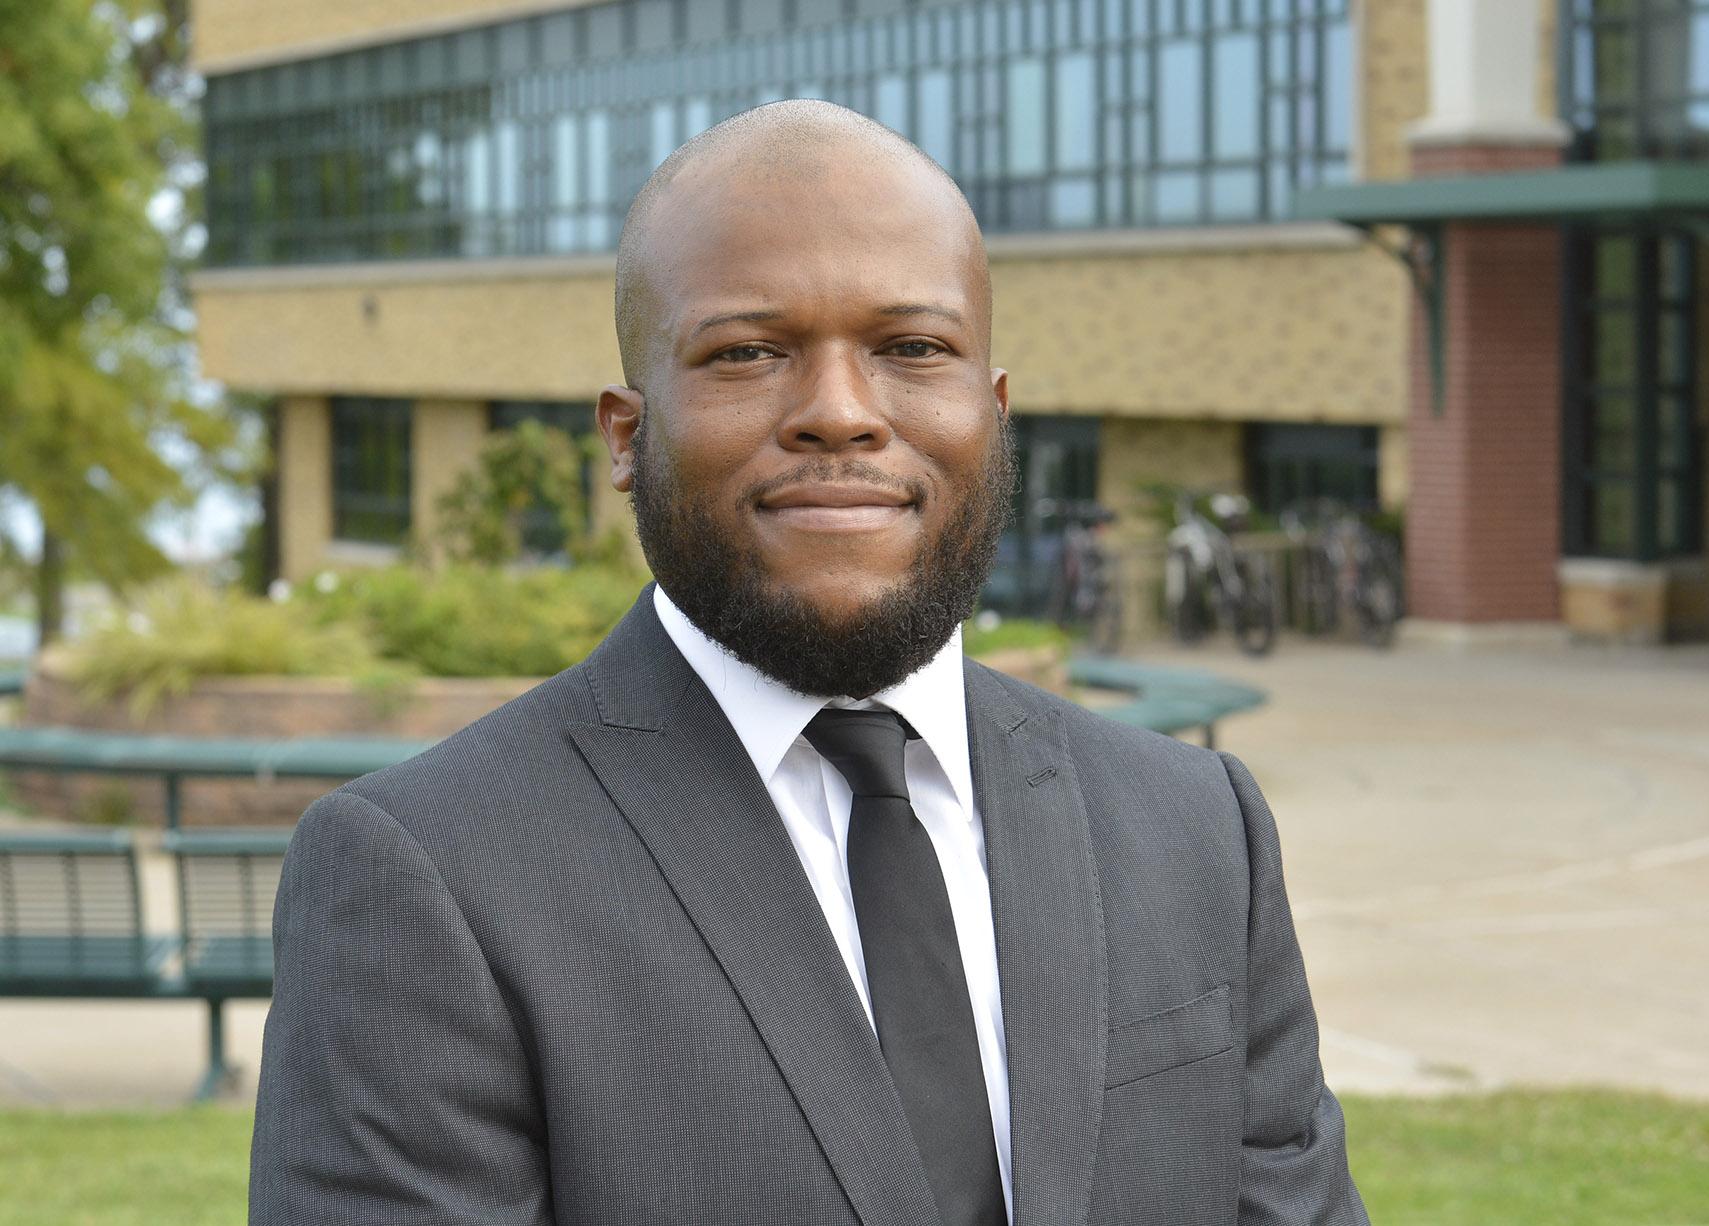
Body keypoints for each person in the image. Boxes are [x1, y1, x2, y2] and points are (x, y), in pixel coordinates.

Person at [249, 100, 1366, 1226]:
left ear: (994, 413)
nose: (841, 413)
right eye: (748, 352)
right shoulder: (428, 874)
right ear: (627, 434)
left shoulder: (1196, 827)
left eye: (912, 349)